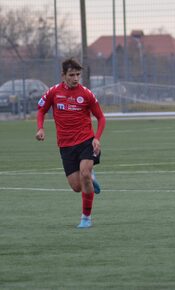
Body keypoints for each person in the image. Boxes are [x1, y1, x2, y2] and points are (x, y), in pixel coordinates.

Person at [35, 58, 106, 229]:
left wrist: (96, 137)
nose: (75, 78)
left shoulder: (86, 94)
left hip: (86, 141)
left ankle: (86, 218)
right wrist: (40, 128)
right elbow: (41, 110)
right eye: (72, 75)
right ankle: (90, 177)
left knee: (84, 174)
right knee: (76, 186)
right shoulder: (53, 92)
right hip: (65, 146)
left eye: (78, 75)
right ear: (63, 75)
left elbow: (101, 117)